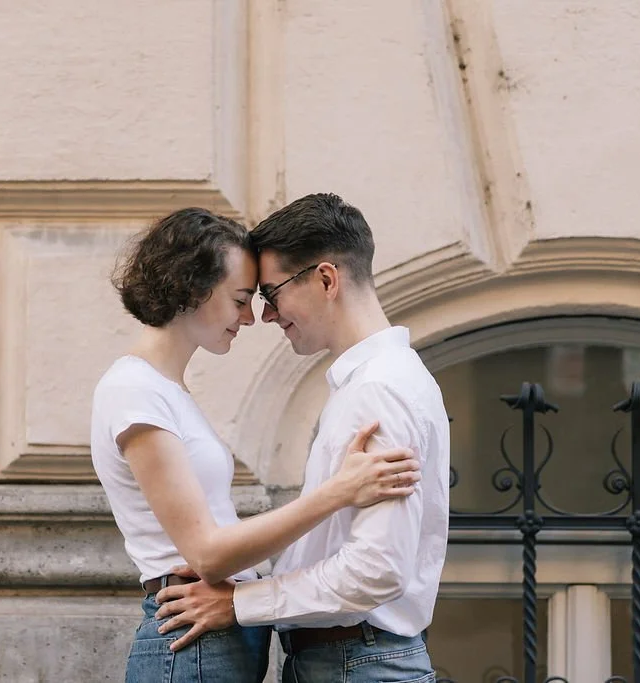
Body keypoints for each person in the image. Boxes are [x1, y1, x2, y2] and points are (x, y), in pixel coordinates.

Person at [90, 207, 424, 683]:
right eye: (242, 298)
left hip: (219, 628)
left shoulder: (164, 391)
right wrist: (337, 492)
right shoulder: (133, 391)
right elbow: (207, 554)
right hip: (194, 631)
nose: (252, 317)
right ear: (192, 289)